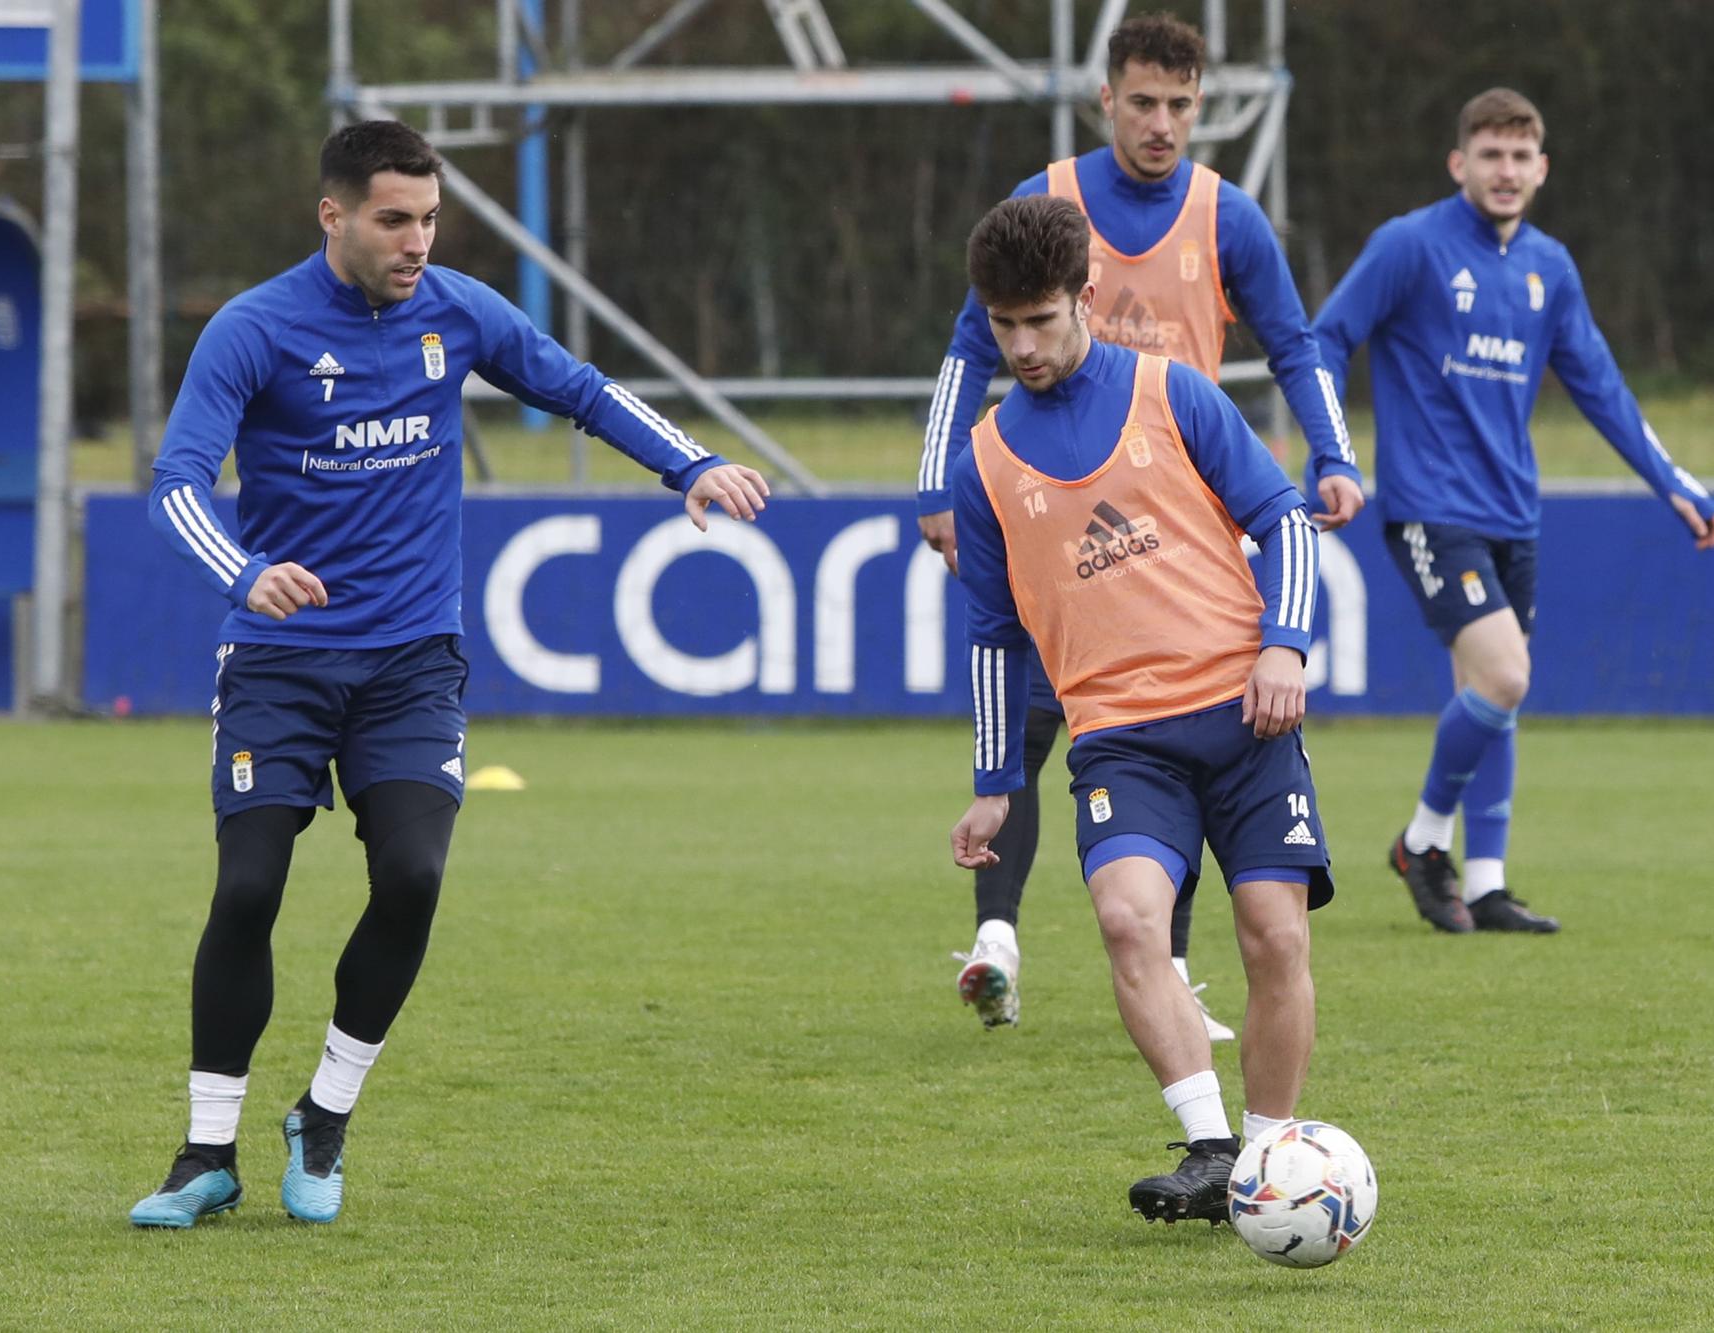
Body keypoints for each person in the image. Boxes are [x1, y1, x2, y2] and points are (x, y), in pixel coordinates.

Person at [128, 120, 769, 1228]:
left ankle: (322, 1114)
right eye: (392, 219)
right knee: (248, 886)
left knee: (414, 876)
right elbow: (177, 477)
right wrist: (248, 571)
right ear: (333, 216)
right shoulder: (253, 329)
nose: (415, 240)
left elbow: (579, 388)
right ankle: (204, 1152)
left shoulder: (460, 310)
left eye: (427, 218)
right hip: (279, 660)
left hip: (412, 660)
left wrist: (692, 464)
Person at [918, 13, 1361, 1036]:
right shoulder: (1046, 202)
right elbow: (963, 350)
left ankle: (1167, 966)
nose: (1159, 123)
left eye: (1178, 105)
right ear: (1103, 99)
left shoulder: (1226, 215)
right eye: (1141, 102)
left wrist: (1332, 453)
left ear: (1198, 105)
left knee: (1181, 727)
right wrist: (934, 484)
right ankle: (997, 935)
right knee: (1028, 714)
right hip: (1042, 494)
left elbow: (1295, 346)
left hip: (1182, 512)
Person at [948, 194, 1334, 1223]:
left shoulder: (1177, 395)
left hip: (1244, 716)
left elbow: (1283, 522)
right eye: (1002, 326)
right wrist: (993, 784)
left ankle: (1268, 1158)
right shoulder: (983, 460)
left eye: (1040, 319)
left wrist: (1283, 647)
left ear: (1083, 297)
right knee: (1127, 920)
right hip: (1119, 740)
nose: (1022, 346)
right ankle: (1210, 1149)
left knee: (1271, 939)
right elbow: (992, 631)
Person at [1311, 88, 1714, 935]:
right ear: (1459, 163)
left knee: (1491, 693)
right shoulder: (1409, 246)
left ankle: (1489, 881)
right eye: (1489, 155)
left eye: (1520, 157)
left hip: (1513, 511)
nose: (1505, 171)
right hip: (1429, 506)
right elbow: (1326, 336)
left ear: (1542, 169)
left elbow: (1600, 384)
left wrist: (1671, 479)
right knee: (1505, 675)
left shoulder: (1550, 267)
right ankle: (1423, 841)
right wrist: (1331, 452)